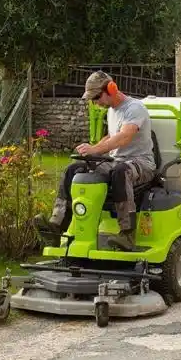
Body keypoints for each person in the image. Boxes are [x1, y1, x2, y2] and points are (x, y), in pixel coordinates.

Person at [31, 71, 156, 251]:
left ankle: (127, 235)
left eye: (96, 97)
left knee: (121, 172)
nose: (94, 102)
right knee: (72, 170)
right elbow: (111, 137)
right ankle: (57, 226)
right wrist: (92, 149)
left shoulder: (135, 108)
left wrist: (95, 150)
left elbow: (124, 137)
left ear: (111, 89)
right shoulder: (112, 111)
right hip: (116, 161)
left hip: (141, 163)